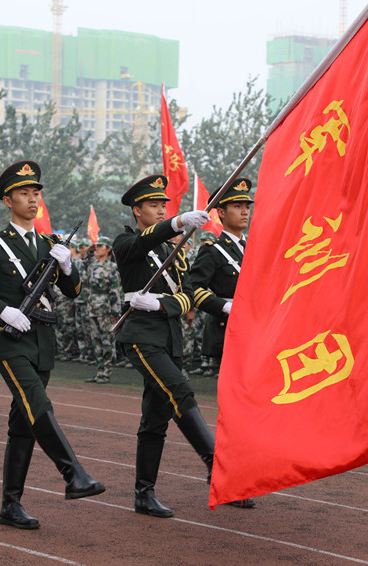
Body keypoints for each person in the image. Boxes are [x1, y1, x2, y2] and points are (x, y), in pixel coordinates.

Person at [0, 160, 105, 530]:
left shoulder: (50, 245)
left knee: (23, 423)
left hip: (42, 342)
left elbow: (74, 291)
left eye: (36, 193)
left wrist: (68, 267)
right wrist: (2, 310)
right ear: (8, 200)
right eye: (24, 193)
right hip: (10, 342)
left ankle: (10, 505)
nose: (33, 199)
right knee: (37, 403)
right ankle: (74, 474)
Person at [112, 174, 253, 519]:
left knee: (155, 419)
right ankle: (217, 466)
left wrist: (163, 305)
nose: (161, 210)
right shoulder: (126, 242)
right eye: (154, 205)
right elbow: (142, 242)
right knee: (180, 391)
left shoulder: (173, 251)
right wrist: (176, 223)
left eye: (165, 205)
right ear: (137, 210)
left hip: (169, 336)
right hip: (141, 336)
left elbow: (190, 294)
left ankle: (144, 494)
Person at [190, 178, 253, 378]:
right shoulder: (213, 250)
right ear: (222, 213)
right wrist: (225, 307)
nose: (245, 212)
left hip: (256, 327)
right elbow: (193, 288)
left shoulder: (254, 248)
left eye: (246, 207)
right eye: (237, 206)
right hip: (228, 328)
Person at [84, 236, 121, 383]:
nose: (97, 248)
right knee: (95, 340)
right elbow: (84, 261)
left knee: (107, 341)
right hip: (93, 306)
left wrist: (115, 312)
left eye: (101, 246)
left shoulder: (112, 267)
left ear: (108, 249)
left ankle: (106, 371)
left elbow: (115, 291)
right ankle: (99, 371)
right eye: (96, 246)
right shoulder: (93, 264)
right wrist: (89, 250)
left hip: (106, 307)